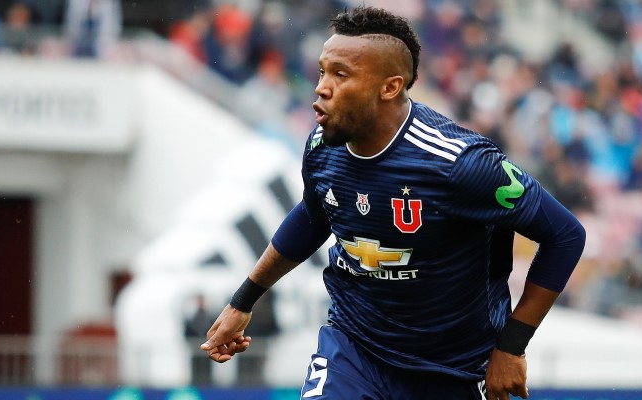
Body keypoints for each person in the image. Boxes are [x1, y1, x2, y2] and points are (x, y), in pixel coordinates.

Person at [199, 7, 586, 400]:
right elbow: (313, 218)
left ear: (389, 87)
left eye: (340, 74)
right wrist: (242, 301)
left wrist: (512, 346)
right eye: (322, 72)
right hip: (355, 349)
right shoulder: (321, 147)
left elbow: (565, 235)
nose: (321, 88)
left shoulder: (460, 163)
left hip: (453, 369)